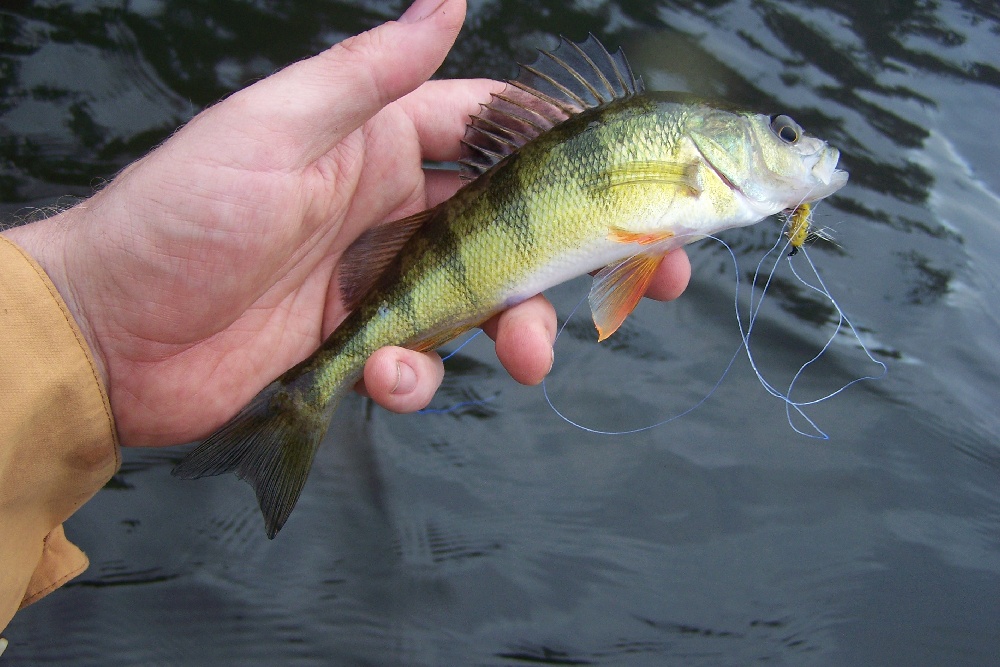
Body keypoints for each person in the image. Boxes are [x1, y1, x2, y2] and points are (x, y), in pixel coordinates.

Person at [0, 0, 690, 635]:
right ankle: (298, 408)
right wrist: (86, 312)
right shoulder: (674, 157)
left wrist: (83, 318)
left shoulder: (680, 171)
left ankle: (286, 412)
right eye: (783, 134)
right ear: (709, 151)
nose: (801, 148)